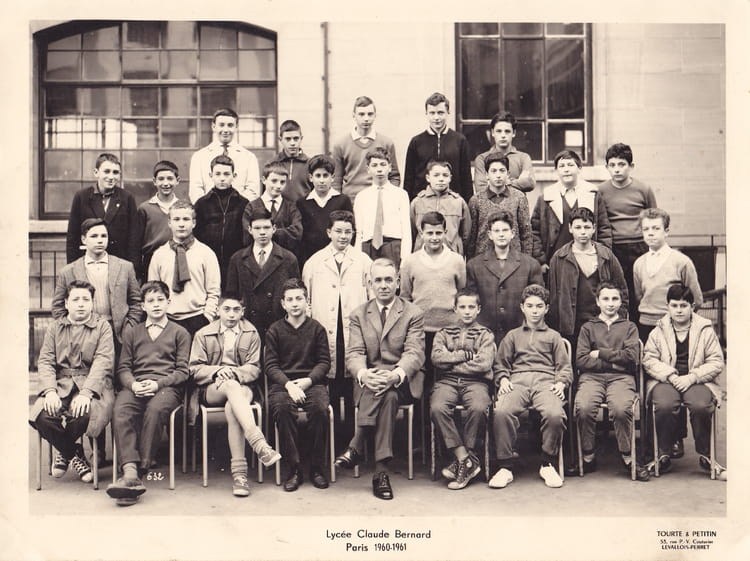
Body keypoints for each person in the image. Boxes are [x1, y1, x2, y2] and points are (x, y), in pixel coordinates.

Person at [334, 258, 425, 500]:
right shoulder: (359, 314)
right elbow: (354, 353)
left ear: (398, 282)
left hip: (402, 379)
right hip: (371, 382)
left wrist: (395, 374)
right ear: (369, 283)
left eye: (388, 280)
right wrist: (364, 374)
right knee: (388, 397)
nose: (383, 285)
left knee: (392, 392)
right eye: (378, 280)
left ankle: (356, 444)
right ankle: (381, 473)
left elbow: (414, 352)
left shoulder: (413, 313)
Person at [106, 281, 190, 506]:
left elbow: (183, 371)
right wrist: (133, 385)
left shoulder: (180, 333)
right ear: (143, 306)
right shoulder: (133, 333)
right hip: (137, 385)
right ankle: (129, 469)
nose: (156, 305)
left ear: (169, 302)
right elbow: (123, 367)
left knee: (155, 410)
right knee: (121, 410)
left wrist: (158, 384)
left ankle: (138, 472)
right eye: (150, 301)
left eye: (160, 300)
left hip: (166, 388)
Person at [188, 294, 281, 497]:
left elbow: (255, 368)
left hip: (242, 385)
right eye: (227, 309)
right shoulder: (203, 333)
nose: (231, 314)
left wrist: (236, 373)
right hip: (213, 388)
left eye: (236, 310)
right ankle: (259, 443)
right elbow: (194, 369)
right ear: (218, 310)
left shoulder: (251, 332)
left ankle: (240, 477)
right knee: (230, 387)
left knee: (233, 407)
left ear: (243, 311)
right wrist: (218, 371)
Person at [29, 280, 114, 485]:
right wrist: (50, 391)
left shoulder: (103, 326)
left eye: (86, 299)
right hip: (61, 383)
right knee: (42, 416)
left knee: (83, 413)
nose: (81, 304)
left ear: (92, 303)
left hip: (94, 383)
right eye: (76, 299)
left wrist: (86, 393)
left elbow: (103, 361)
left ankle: (64, 452)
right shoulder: (55, 327)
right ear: (66, 303)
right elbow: (46, 361)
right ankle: (74, 453)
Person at [489, 284, 572, 489]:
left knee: (555, 414)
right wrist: (504, 379)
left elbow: (564, 366)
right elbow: (501, 364)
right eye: (530, 306)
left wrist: (561, 382)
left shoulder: (554, 336)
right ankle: (505, 466)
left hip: (546, 381)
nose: (534, 311)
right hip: (517, 380)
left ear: (546, 308)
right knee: (502, 411)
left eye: (539, 306)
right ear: (522, 307)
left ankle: (547, 463)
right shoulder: (512, 336)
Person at [302, 210, 372, 449]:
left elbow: (372, 298)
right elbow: (306, 301)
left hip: (354, 331)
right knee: (329, 384)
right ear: (328, 232)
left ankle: (352, 443)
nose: (343, 236)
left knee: (352, 385)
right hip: (326, 330)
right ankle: (330, 443)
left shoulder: (363, 261)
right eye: (338, 231)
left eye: (348, 232)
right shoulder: (315, 262)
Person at [642, 284, 726, 480]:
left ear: (692, 306)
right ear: (668, 307)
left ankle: (706, 455)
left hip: (696, 380)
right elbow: (649, 359)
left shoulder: (705, 329)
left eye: (683, 305)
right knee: (664, 405)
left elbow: (716, 361)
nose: (679, 310)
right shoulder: (658, 330)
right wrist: (670, 375)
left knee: (701, 406)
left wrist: (692, 377)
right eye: (674, 305)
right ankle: (663, 453)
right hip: (666, 380)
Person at [574, 282, 650, 481]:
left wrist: (600, 353)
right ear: (597, 301)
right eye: (605, 299)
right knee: (583, 407)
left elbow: (631, 357)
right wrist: (615, 363)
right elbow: (581, 360)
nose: (610, 303)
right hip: (592, 378)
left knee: (621, 408)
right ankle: (588, 456)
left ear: (621, 301)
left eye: (615, 298)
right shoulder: (588, 327)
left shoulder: (629, 327)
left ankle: (628, 457)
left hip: (622, 378)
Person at [265, 279, 332, 492]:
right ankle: (294, 469)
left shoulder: (317, 329)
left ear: (306, 301)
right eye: (290, 299)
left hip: (311, 382)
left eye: (299, 298)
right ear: (283, 304)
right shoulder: (275, 330)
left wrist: (308, 381)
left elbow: (324, 362)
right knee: (282, 409)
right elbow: (271, 365)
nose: (295, 303)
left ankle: (317, 467)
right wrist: (289, 385)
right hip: (283, 385)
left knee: (320, 409)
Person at [430, 289, 495, 490]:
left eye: (471, 307)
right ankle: (464, 458)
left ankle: (465, 461)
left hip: (476, 382)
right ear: (455, 309)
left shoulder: (485, 334)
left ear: (478, 309)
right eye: (462, 307)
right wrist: (465, 356)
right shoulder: (443, 333)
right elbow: (436, 358)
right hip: (447, 382)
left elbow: (484, 364)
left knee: (478, 407)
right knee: (437, 407)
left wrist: (451, 361)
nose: (467, 311)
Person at [400, 211, 466, 397]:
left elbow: (462, 294)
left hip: (449, 332)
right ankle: (422, 417)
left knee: (446, 383)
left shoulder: (456, 260)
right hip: (421, 332)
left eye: (438, 233)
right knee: (422, 383)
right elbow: (405, 298)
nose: (434, 238)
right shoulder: (410, 262)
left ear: (445, 232)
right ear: (421, 233)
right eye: (429, 233)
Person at [547, 207, 628, 353]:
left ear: (594, 228)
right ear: (570, 228)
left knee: (600, 360)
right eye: (578, 227)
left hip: (602, 323)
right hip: (572, 326)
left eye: (587, 227)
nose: (583, 232)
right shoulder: (559, 258)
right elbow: (553, 297)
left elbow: (622, 291)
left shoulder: (606, 256)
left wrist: (616, 321)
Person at [52, 218, 142, 348]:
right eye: (94, 236)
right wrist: (72, 330)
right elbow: (58, 307)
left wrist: (129, 327)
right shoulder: (68, 271)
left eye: (103, 236)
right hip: (83, 333)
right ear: (84, 239)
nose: (100, 240)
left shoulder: (125, 267)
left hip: (118, 334)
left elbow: (136, 302)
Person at [598, 143, 658, 322]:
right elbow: (600, 221)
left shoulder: (643, 189)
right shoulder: (601, 191)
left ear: (631, 166)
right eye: (612, 165)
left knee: (639, 294)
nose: (617, 169)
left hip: (639, 247)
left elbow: (653, 218)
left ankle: (639, 333)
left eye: (621, 164)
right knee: (616, 294)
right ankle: (620, 331)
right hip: (613, 248)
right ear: (607, 167)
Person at [466, 211, 543, 344]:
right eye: (496, 231)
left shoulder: (530, 265)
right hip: (485, 335)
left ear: (512, 233)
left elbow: (538, 302)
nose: (501, 234)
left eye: (505, 230)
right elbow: (471, 302)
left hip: (520, 334)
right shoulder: (475, 265)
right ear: (490, 234)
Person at [226, 206, 300, 342]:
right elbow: (232, 296)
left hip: (279, 328)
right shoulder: (237, 259)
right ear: (249, 230)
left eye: (266, 227)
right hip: (247, 327)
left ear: (274, 229)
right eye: (257, 228)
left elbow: (295, 296)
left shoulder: (288, 259)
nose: (262, 232)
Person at [531, 149, 612, 272]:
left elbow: (603, 228)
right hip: (555, 260)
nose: (566, 169)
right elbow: (534, 231)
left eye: (570, 165)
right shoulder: (546, 197)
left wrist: (602, 257)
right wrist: (540, 261)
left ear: (579, 168)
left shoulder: (592, 194)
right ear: (556, 171)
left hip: (587, 258)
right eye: (561, 166)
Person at [148, 201, 220, 337]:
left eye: (186, 219)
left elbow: (213, 291)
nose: (181, 224)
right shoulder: (159, 255)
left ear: (194, 223)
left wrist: (207, 318)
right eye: (176, 219)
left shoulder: (206, 253)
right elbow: (153, 290)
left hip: (198, 318)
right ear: (169, 223)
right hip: (167, 320)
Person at [633, 208, 703, 343]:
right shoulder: (639, 263)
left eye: (656, 228)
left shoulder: (681, 261)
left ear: (666, 231)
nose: (650, 233)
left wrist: (679, 319)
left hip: (673, 326)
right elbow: (639, 296)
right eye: (646, 229)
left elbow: (697, 300)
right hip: (646, 326)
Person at [66, 152, 139, 265]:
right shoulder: (82, 197)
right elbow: (72, 236)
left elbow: (134, 238)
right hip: (89, 262)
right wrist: (73, 267)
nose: (111, 177)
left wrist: (132, 268)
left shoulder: (127, 198)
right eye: (106, 171)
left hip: (119, 263)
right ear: (96, 172)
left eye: (115, 172)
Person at [404, 92, 473, 203]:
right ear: (426, 114)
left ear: (448, 113)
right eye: (432, 113)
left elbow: (466, 178)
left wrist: (467, 204)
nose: (436, 117)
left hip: (452, 202)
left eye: (440, 113)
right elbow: (409, 178)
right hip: (423, 202)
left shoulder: (460, 140)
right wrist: (409, 203)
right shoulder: (416, 142)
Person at [193, 154, 250, 287]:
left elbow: (247, 234)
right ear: (211, 175)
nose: (222, 178)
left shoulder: (243, 203)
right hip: (208, 260)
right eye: (217, 174)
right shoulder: (202, 203)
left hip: (235, 261)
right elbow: (196, 233)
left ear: (234, 176)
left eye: (226, 174)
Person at [332, 96, 400, 202]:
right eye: (361, 114)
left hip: (379, 200)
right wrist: (339, 203)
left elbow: (394, 176)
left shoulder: (386, 143)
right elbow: (336, 181)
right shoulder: (340, 144)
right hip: (351, 201)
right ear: (354, 115)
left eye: (370, 114)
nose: (366, 118)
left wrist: (387, 197)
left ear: (375, 115)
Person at [353, 147, 411, 267]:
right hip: (368, 247)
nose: (379, 169)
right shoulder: (361, 196)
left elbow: (406, 230)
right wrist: (358, 258)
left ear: (389, 167)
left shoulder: (401, 194)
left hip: (393, 246)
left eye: (383, 165)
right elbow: (359, 232)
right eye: (374, 165)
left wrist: (405, 258)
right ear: (368, 169)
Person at [467, 153, 532, 258]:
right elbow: (472, 237)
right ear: (486, 175)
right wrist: (471, 262)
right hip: (483, 259)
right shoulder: (476, 200)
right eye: (493, 171)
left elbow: (526, 234)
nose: (498, 175)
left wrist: (526, 260)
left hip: (513, 259)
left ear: (508, 174)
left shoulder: (519, 198)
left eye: (502, 171)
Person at [189, 108, 260, 202]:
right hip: (208, 209)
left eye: (230, 125)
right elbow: (195, 190)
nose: (225, 130)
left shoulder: (249, 157)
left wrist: (235, 207)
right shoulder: (199, 157)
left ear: (236, 127)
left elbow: (253, 191)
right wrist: (208, 207)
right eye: (221, 125)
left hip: (240, 209)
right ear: (214, 126)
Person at [296, 154, 353, 267]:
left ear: (332, 177)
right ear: (311, 177)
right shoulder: (302, 203)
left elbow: (350, 230)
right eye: (318, 176)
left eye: (325, 175)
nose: (321, 180)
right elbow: (301, 236)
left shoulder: (343, 200)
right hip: (310, 257)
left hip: (337, 257)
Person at [410, 160, 471, 255]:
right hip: (423, 255)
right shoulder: (418, 202)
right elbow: (412, 232)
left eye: (445, 175)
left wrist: (456, 248)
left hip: (451, 255)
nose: (441, 179)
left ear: (450, 178)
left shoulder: (458, 202)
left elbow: (466, 235)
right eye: (436, 175)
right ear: (428, 178)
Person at [242, 161, 303, 255]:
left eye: (282, 182)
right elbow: (247, 235)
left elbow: (296, 233)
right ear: (264, 180)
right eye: (274, 181)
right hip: (259, 255)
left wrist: (264, 233)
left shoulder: (291, 207)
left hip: (285, 256)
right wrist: (282, 232)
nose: (278, 186)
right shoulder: (252, 206)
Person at [135, 161, 182, 280]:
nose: (165, 183)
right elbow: (137, 242)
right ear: (154, 181)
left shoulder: (183, 207)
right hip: (150, 259)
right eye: (161, 179)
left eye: (170, 178)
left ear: (177, 180)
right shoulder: (145, 208)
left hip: (178, 258)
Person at [472, 111, 536, 194]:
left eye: (507, 131)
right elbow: (481, 188)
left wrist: (506, 183)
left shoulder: (523, 158)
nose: (503, 135)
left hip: (518, 202)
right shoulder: (482, 159)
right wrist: (517, 182)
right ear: (493, 133)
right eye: (499, 131)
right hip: (490, 202)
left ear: (513, 133)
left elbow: (530, 183)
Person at [276, 119, 311, 203]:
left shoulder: (310, 164)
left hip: (304, 209)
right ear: (280, 139)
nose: (292, 143)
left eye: (296, 138)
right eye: (288, 139)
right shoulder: (273, 163)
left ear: (301, 139)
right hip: (280, 209)